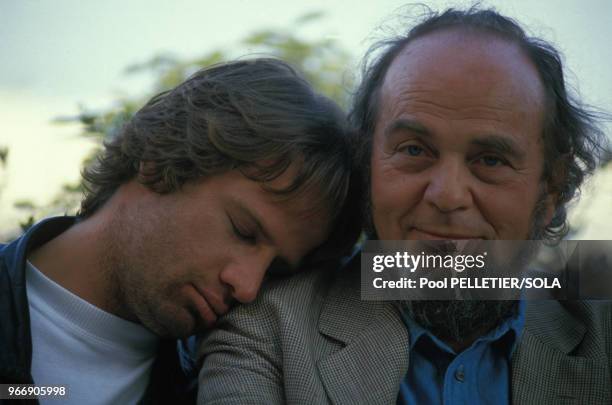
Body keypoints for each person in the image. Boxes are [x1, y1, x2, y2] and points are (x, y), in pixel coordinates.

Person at [198, 8, 611, 405]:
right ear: (366, 164)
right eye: (414, 150)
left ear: (551, 186)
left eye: (490, 160)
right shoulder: (267, 331)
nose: (447, 196)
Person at [0, 58, 360, 404]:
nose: (248, 287)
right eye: (243, 231)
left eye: (275, 270)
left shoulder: (222, 379)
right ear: (159, 159)